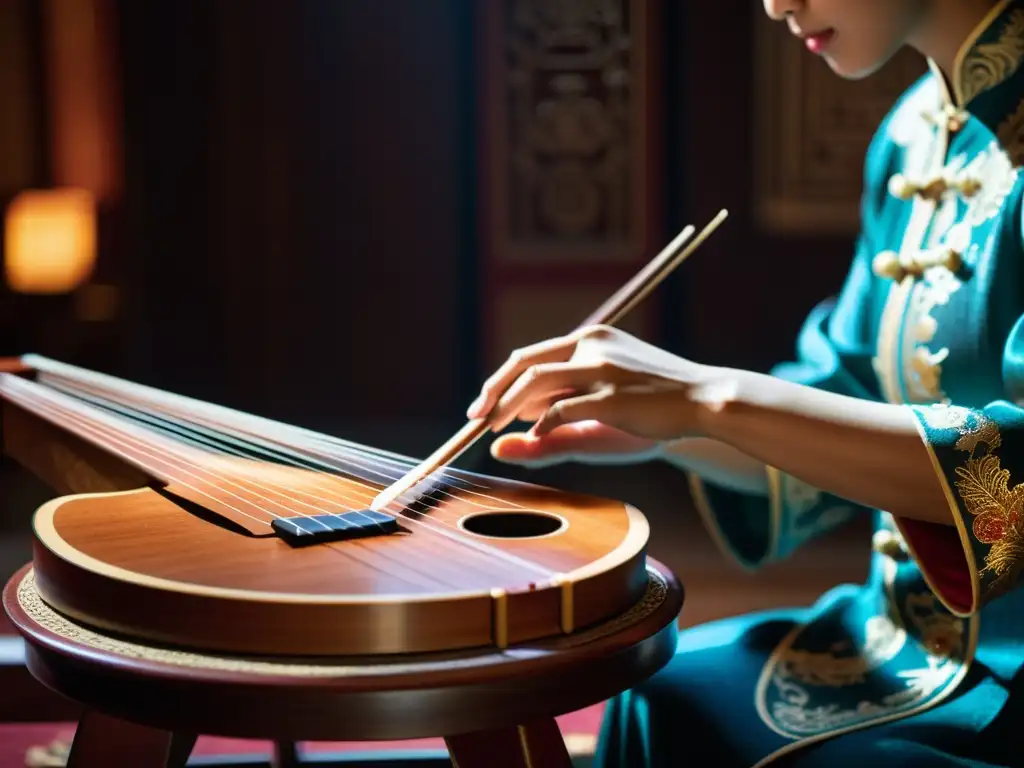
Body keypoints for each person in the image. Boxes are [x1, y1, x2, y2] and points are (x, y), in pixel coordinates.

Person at [466, 0, 1024, 765]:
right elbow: (848, 402)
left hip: (1010, 678)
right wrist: (679, 425)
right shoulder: (915, 130)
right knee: (656, 696)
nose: (775, 3)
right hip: (897, 638)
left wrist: (710, 398)